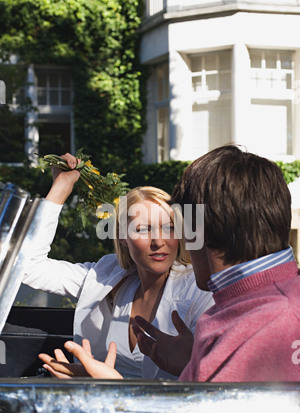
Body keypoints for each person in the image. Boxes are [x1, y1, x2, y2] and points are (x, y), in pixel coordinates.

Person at [58, 145, 300, 382]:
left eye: (174, 227)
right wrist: (192, 365)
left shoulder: (267, 322)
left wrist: (114, 389)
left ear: (199, 231)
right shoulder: (255, 303)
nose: (163, 240)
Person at [23, 153, 214, 379]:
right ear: (123, 236)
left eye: (169, 227)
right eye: (143, 229)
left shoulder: (200, 289)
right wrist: (61, 187)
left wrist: (109, 383)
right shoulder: (108, 275)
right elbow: (28, 266)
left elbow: (213, 380)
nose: (158, 241)